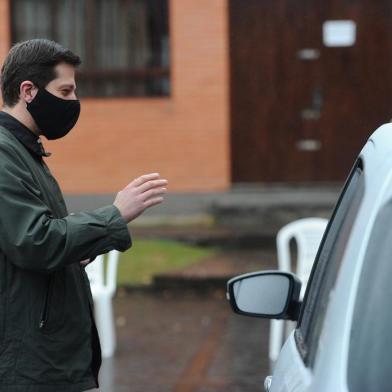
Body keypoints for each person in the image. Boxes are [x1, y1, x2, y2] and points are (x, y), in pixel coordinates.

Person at [0, 38, 167, 391]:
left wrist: (76, 251)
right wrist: (116, 214)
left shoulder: (25, 151)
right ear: (28, 90)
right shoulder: (4, 154)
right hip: (29, 362)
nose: (74, 103)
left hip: (44, 352)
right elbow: (35, 241)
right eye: (65, 91)